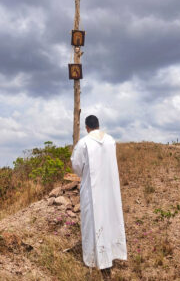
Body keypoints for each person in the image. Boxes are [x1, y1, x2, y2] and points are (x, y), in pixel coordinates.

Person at [71, 115, 127, 278]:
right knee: (110, 219)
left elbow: (76, 167)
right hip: (110, 189)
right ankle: (111, 253)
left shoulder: (84, 143)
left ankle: (93, 259)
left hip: (91, 189)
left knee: (92, 222)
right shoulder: (111, 141)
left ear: (87, 127)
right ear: (98, 125)